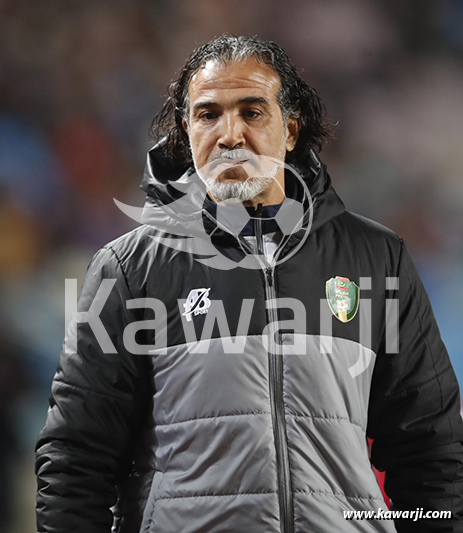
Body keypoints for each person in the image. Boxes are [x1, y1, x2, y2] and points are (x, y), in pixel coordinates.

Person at [35, 34, 463, 533]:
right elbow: (76, 460)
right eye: (208, 115)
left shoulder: (377, 259)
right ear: (186, 132)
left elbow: (432, 453)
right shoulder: (129, 270)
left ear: (291, 129)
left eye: (252, 112)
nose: (229, 134)